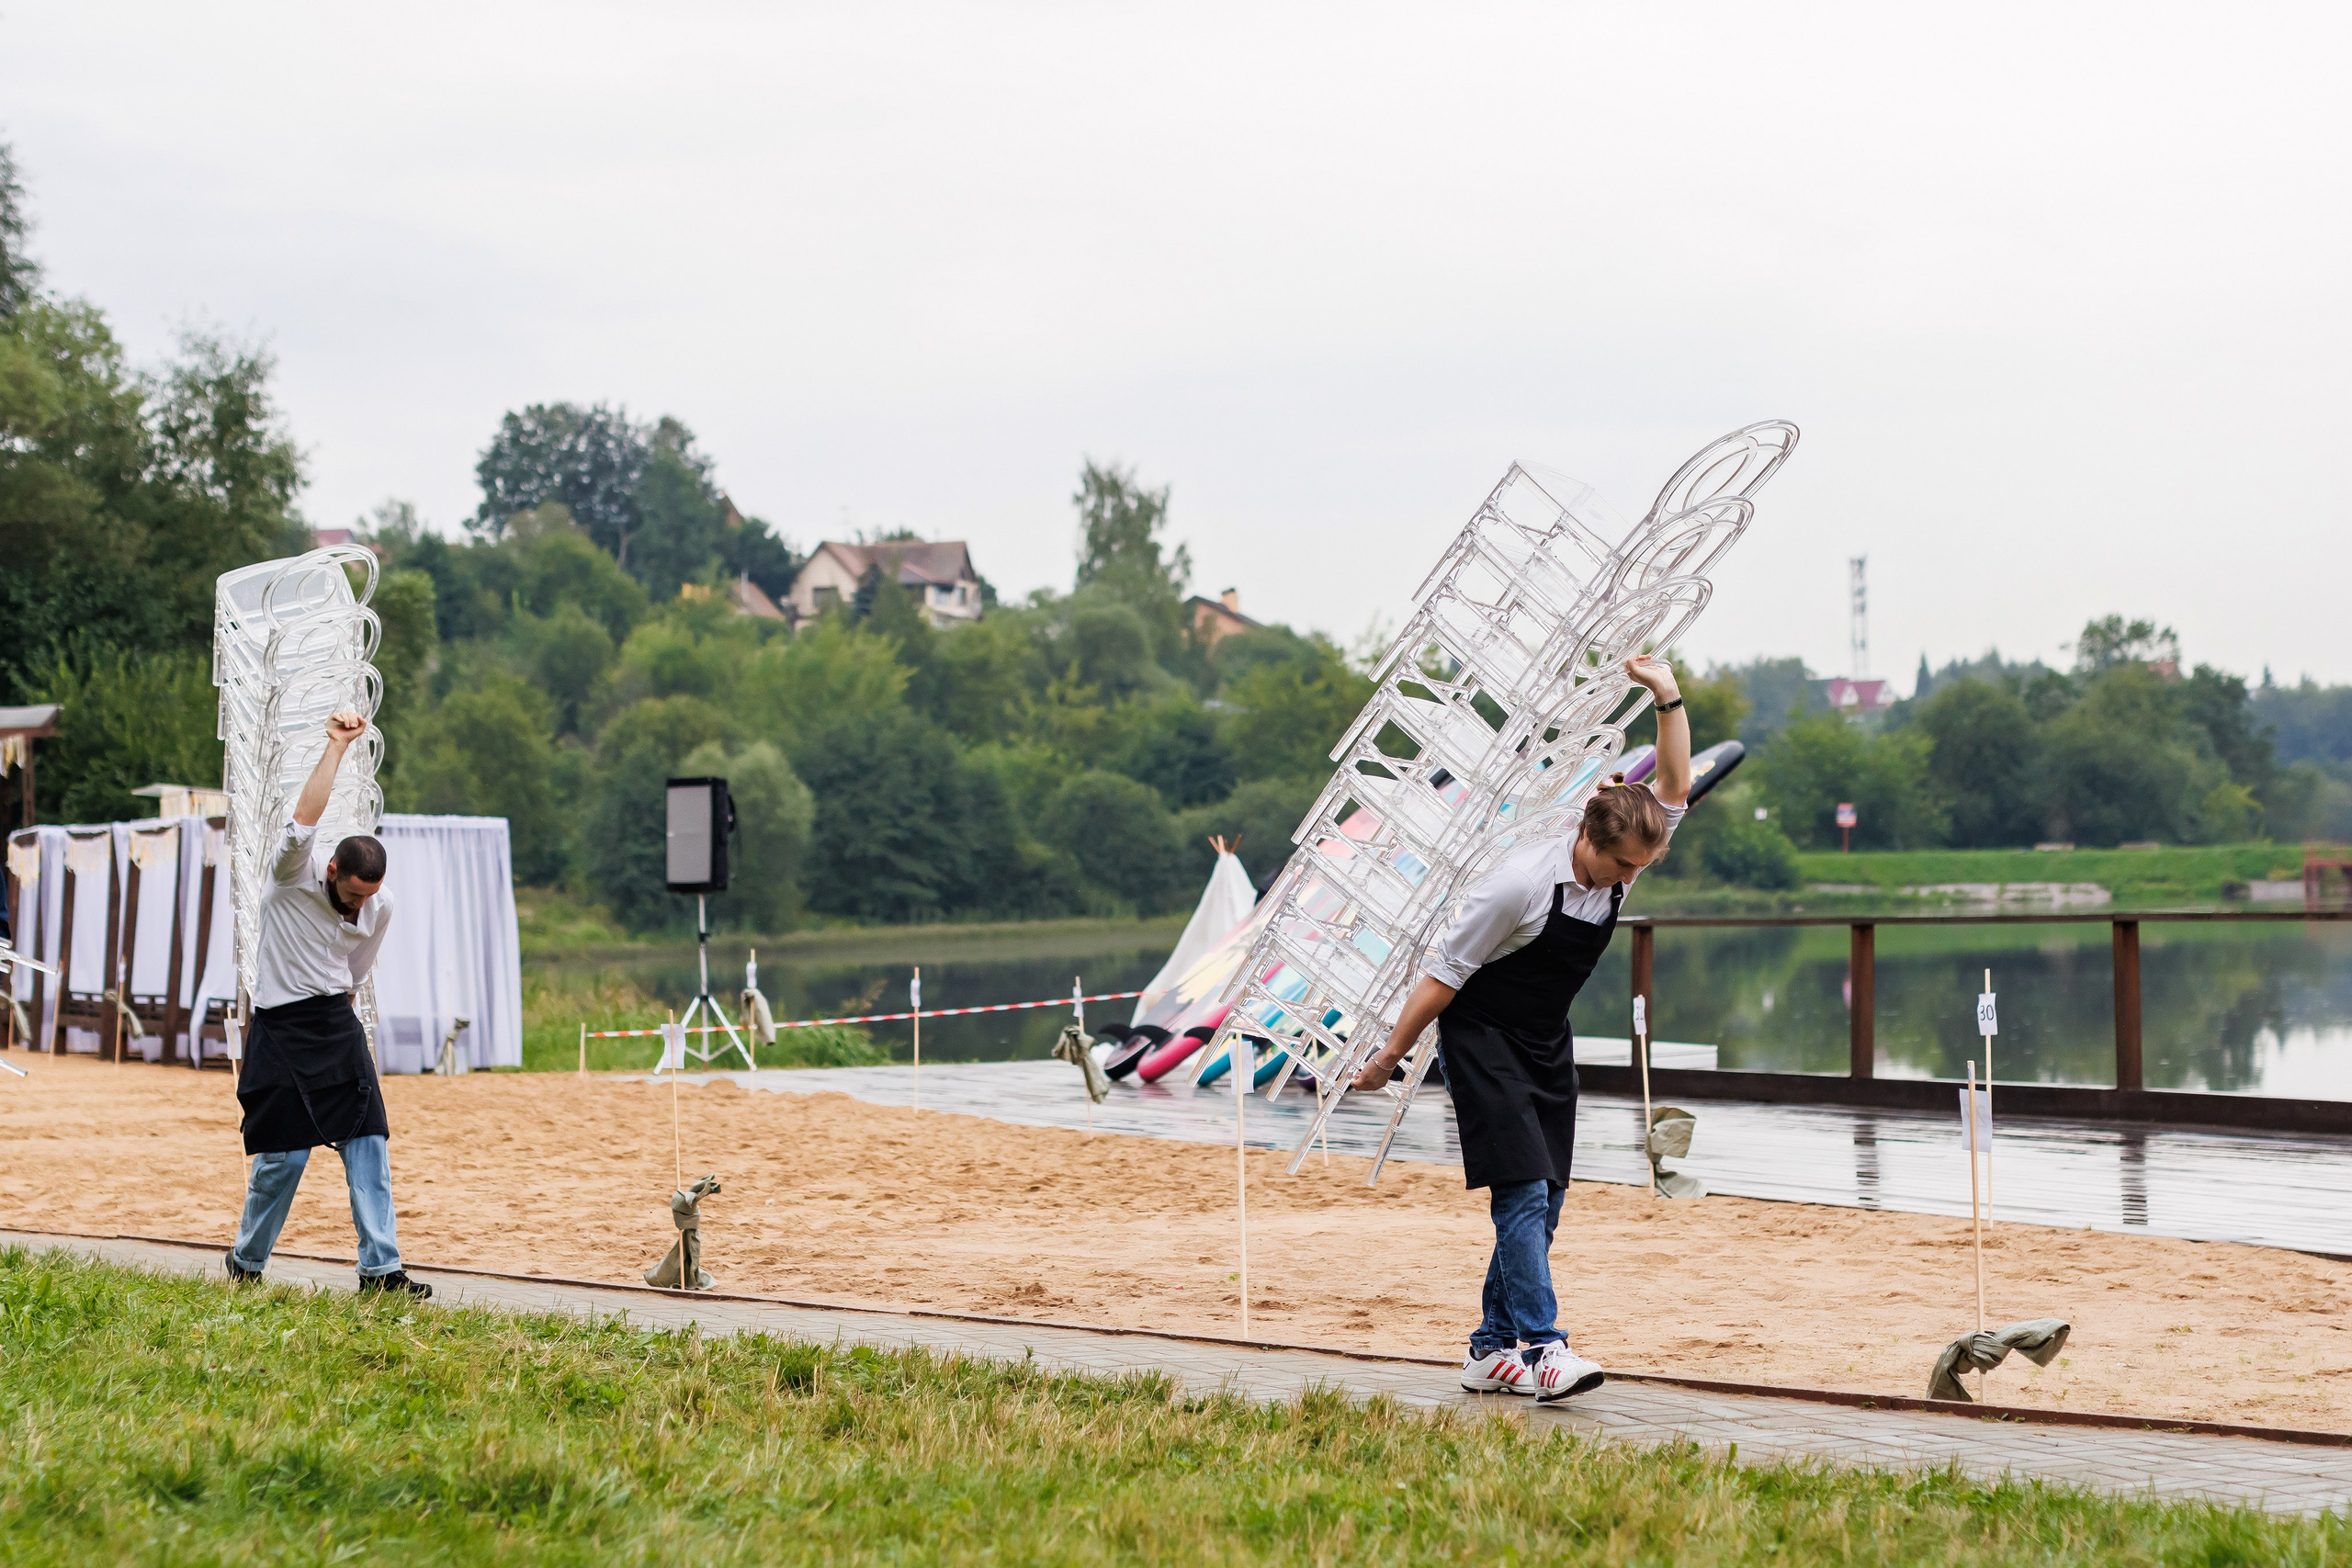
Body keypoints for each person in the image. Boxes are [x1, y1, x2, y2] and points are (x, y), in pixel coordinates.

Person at [1350, 654, 1690, 1402]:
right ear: (1590, 840)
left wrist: (1666, 694)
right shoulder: (1518, 887)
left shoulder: (1626, 851)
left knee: (1550, 1199)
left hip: (1544, 1040)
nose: (1632, 876)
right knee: (1522, 1193)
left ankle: (1487, 1349)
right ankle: (1544, 1348)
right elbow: (1442, 974)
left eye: (1642, 864)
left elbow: (1672, 787)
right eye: (1624, 866)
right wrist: (1389, 1057)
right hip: (1480, 1038)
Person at [223, 710, 430, 1298]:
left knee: (368, 1143)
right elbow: (304, 818)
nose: (360, 907)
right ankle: (246, 1261)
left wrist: (364, 916)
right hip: (280, 1026)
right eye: (352, 894)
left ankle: (382, 1271)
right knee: (281, 1161)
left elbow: (355, 973)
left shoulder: (380, 906)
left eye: (369, 897)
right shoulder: (291, 875)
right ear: (332, 870)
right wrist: (337, 747)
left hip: (335, 1024)